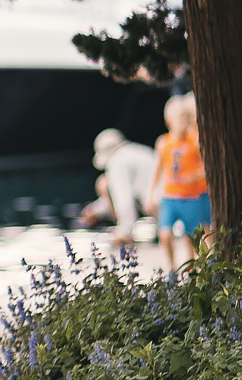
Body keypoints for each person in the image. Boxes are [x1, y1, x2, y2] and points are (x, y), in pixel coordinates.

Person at [151, 94, 210, 271]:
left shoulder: (195, 140)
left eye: (187, 118)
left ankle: (193, 267)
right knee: (165, 233)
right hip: (170, 196)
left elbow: (205, 168)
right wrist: (151, 194)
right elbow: (158, 169)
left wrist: (192, 178)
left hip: (192, 196)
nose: (185, 122)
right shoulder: (163, 143)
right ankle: (171, 268)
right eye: (180, 118)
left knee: (192, 236)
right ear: (169, 121)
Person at [83, 127, 156, 246]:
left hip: (155, 204)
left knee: (103, 183)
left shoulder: (117, 162)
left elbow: (124, 200)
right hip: (169, 199)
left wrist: (124, 233)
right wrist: (96, 210)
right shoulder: (138, 151)